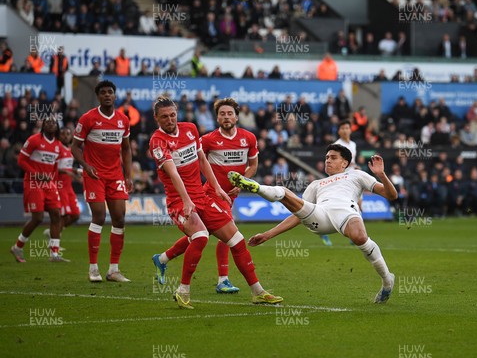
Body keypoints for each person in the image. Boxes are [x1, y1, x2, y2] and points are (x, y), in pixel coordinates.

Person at [150, 96, 283, 308]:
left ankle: (258, 291)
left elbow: (202, 160)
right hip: (178, 201)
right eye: (164, 116)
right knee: (201, 236)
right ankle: (183, 290)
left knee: (237, 240)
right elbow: (173, 173)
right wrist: (185, 200)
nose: (170, 119)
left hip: (203, 197)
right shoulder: (157, 141)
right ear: (156, 118)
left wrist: (219, 189)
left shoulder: (190, 129)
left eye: (173, 114)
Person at [229, 144, 398, 303]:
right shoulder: (316, 184)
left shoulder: (356, 174)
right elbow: (298, 215)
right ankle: (256, 187)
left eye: (333, 157)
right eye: (326, 158)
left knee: (359, 237)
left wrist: (381, 175)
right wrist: (268, 234)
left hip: (346, 211)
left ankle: (386, 280)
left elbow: (391, 195)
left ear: (344, 163)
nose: (328, 160)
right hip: (320, 215)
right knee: (285, 193)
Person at [72, 80, 134, 282]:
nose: (107, 95)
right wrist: (85, 165)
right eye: (103, 92)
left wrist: (129, 175)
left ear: (115, 96)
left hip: (115, 176)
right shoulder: (88, 118)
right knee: (98, 216)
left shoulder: (123, 120)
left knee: (120, 219)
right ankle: (93, 269)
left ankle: (113, 270)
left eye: (110, 92)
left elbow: (126, 149)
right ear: (98, 96)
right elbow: (75, 147)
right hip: (95, 175)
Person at [10, 116, 69, 262]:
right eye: (47, 122)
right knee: (38, 218)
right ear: (43, 126)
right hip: (33, 183)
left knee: (56, 215)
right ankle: (18, 246)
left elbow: (55, 167)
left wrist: (54, 182)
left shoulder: (58, 145)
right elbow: (21, 161)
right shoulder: (34, 140)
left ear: (57, 127)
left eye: (53, 123)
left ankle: (54, 254)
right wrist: (37, 174)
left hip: (49, 185)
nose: (51, 125)